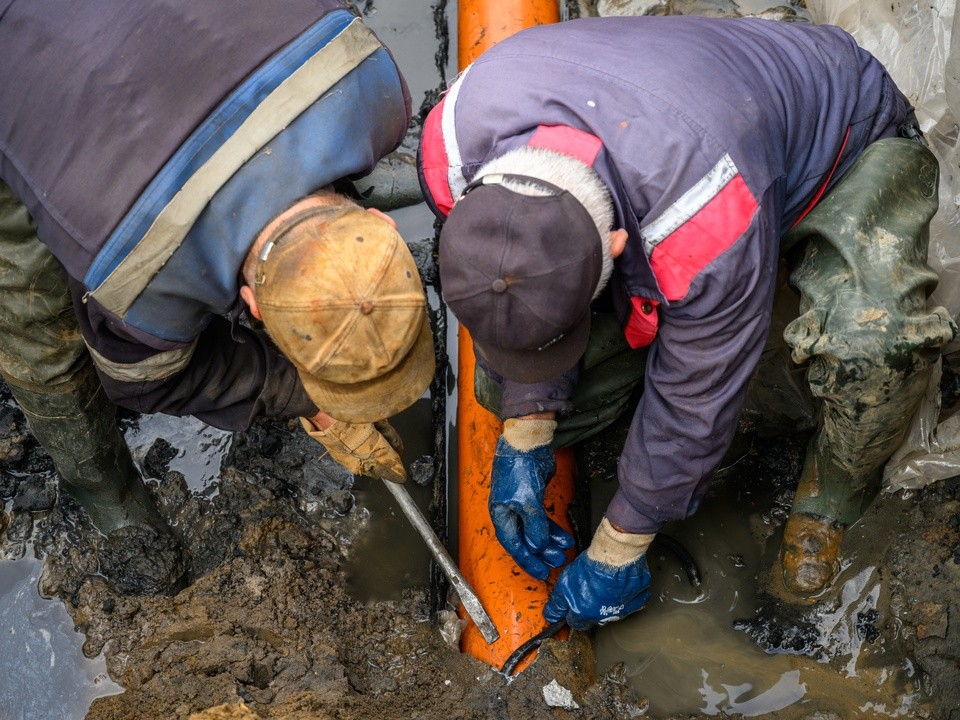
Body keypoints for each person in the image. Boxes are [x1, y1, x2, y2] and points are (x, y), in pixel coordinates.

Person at [417, 15, 957, 629]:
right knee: (500, 390)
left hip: (839, 140)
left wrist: (621, 542)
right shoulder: (451, 150)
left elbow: (696, 392)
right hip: (675, 122)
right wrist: (527, 425)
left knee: (875, 345)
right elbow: (505, 283)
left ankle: (832, 496)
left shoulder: (705, 216)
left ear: (618, 245)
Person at [0, 0, 434, 593]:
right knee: (37, 317)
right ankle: (108, 496)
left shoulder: (368, 85)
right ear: (251, 310)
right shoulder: (131, 275)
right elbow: (145, 380)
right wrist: (299, 391)